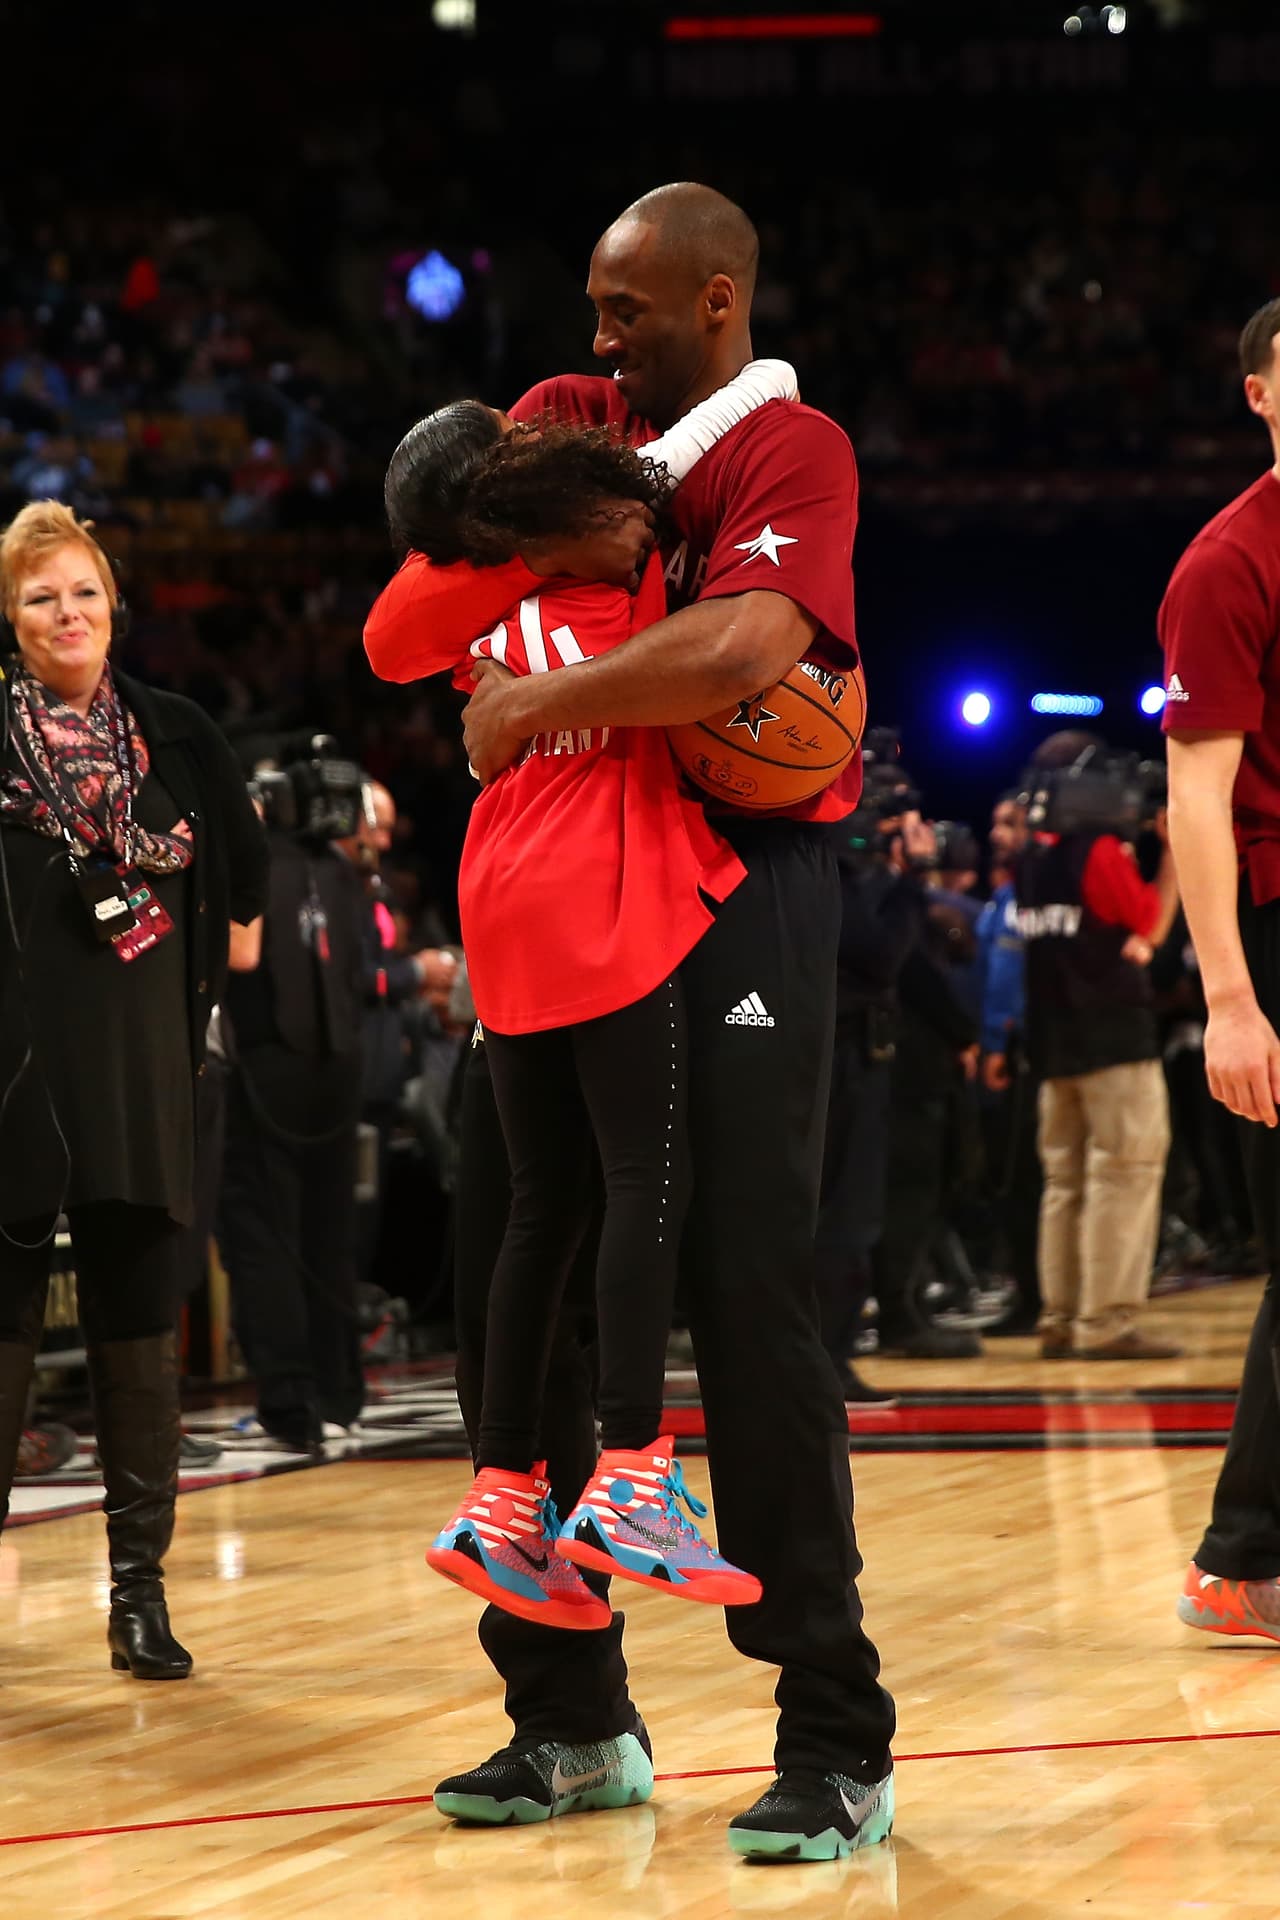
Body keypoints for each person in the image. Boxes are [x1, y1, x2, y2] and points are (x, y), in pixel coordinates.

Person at [365, 182, 895, 1863]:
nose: (598, 339)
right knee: (520, 1267)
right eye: (595, 306)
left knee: (744, 1283)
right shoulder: (563, 416)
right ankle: (570, 1714)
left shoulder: (793, 451)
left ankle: (834, 1731)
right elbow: (420, 598)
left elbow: (742, 649)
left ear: (718, 300)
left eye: (629, 311)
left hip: (745, 879)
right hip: (574, 865)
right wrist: (562, 609)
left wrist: (541, 697)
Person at [385, 371, 791, 1624]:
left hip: (498, 890)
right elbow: (699, 439)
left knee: (539, 1209)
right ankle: (630, 1471)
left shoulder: (470, 594)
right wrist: (764, 379)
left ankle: (501, 1494)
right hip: (594, 884)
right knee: (644, 1184)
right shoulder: (614, 547)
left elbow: (386, 640)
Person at [0, 500, 266, 1677]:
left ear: (114, 604)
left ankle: (139, 1597)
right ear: (10, 618)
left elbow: (245, 891)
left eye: (83, 592)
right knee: (3, 1322)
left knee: (138, 1322)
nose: (67, 613)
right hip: (12, 1076)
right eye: (40, 595)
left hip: (145, 1068)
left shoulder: (180, 734)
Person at [1162, 297, 1280, 1643]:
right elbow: (1195, 798)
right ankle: (1237, 1562)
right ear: (1257, 392)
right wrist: (1231, 1000)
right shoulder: (1227, 561)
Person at [217, 744, 370, 1455]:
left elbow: (239, 955)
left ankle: (290, 1402)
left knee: (265, 1234)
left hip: (267, 1062)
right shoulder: (337, 867)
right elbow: (361, 970)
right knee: (328, 1232)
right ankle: (342, 1390)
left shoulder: (251, 859)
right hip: (337, 1065)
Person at [1016, 731, 1182, 1360]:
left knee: (1065, 1181)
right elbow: (1150, 925)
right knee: (1126, 1173)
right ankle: (1106, 1323)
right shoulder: (1100, 852)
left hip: (1053, 1045)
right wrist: (1174, 854)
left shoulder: (1031, 859)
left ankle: (1060, 1319)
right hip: (1114, 1040)